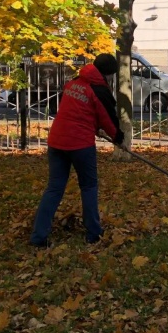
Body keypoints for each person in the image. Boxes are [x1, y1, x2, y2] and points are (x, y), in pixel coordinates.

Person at [30, 53, 126, 248]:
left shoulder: (73, 82)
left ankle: (38, 237)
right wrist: (119, 139)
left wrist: (93, 125)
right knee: (88, 186)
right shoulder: (99, 90)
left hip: (56, 141)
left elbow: (76, 111)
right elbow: (108, 118)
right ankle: (93, 233)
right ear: (108, 74)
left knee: (54, 188)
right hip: (80, 144)